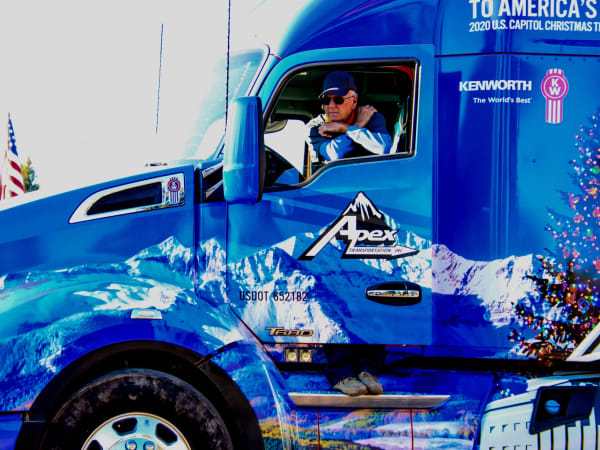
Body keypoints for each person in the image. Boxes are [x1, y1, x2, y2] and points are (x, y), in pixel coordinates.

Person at [306, 70, 392, 162]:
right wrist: (357, 126)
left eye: (338, 100)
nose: (331, 105)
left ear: (354, 101)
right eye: (326, 100)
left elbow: (384, 148)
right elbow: (334, 154)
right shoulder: (315, 126)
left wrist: (345, 128)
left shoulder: (369, 115)